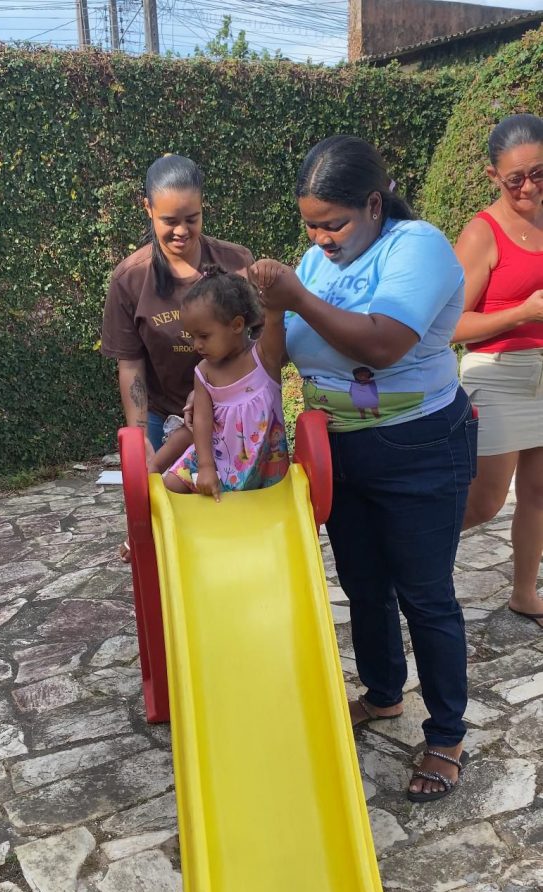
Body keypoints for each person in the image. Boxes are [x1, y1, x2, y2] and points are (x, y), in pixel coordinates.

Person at [250, 135, 477, 803]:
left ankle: (446, 736)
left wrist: (296, 296)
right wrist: (272, 310)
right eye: (310, 226)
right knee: (363, 584)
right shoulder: (312, 265)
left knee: (424, 594)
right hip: (337, 449)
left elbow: (382, 345)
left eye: (334, 224)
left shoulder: (417, 246)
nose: (320, 239)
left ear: (374, 205)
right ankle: (382, 694)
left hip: (418, 445)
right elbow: (273, 359)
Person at [101, 154, 254, 556]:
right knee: (160, 519)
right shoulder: (131, 278)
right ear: (148, 208)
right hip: (162, 415)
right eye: (170, 220)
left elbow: (257, 340)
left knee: (228, 518)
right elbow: (130, 363)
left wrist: (218, 389)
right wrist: (140, 437)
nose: (182, 231)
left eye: (192, 218)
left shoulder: (236, 263)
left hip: (231, 412)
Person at [454, 114, 543, 626]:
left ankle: (525, 593)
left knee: (538, 493)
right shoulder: (480, 233)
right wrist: (522, 313)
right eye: (515, 179)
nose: (528, 187)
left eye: (538, 173)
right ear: (493, 176)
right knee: (483, 502)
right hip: (496, 376)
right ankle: (413, 568)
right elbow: (449, 325)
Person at [166, 265, 289, 499]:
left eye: (204, 336)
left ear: (237, 325)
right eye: (192, 337)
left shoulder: (264, 358)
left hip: (263, 463)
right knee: (170, 485)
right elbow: (202, 420)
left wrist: (272, 290)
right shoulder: (204, 372)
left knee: (266, 505)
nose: (196, 345)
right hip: (216, 458)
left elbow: (274, 319)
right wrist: (205, 466)